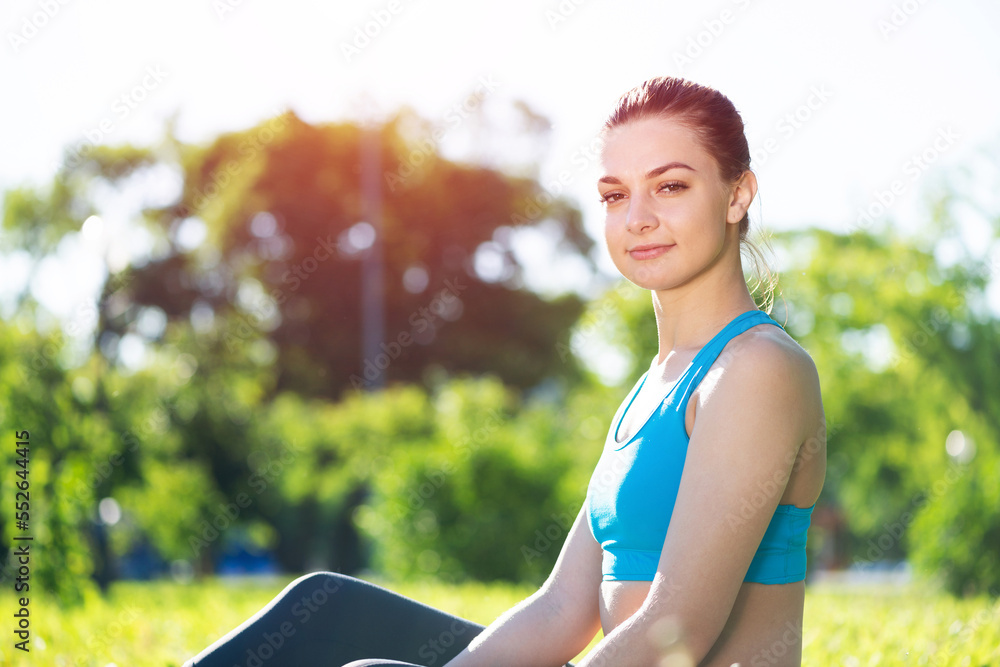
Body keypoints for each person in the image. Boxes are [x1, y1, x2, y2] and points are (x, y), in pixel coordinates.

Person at [185, 75, 826, 667]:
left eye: (671, 186)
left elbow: (679, 628)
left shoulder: (756, 369)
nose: (638, 218)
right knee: (322, 611)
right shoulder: (654, 384)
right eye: (615, 194)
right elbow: (562, 610)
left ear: (737, 194)